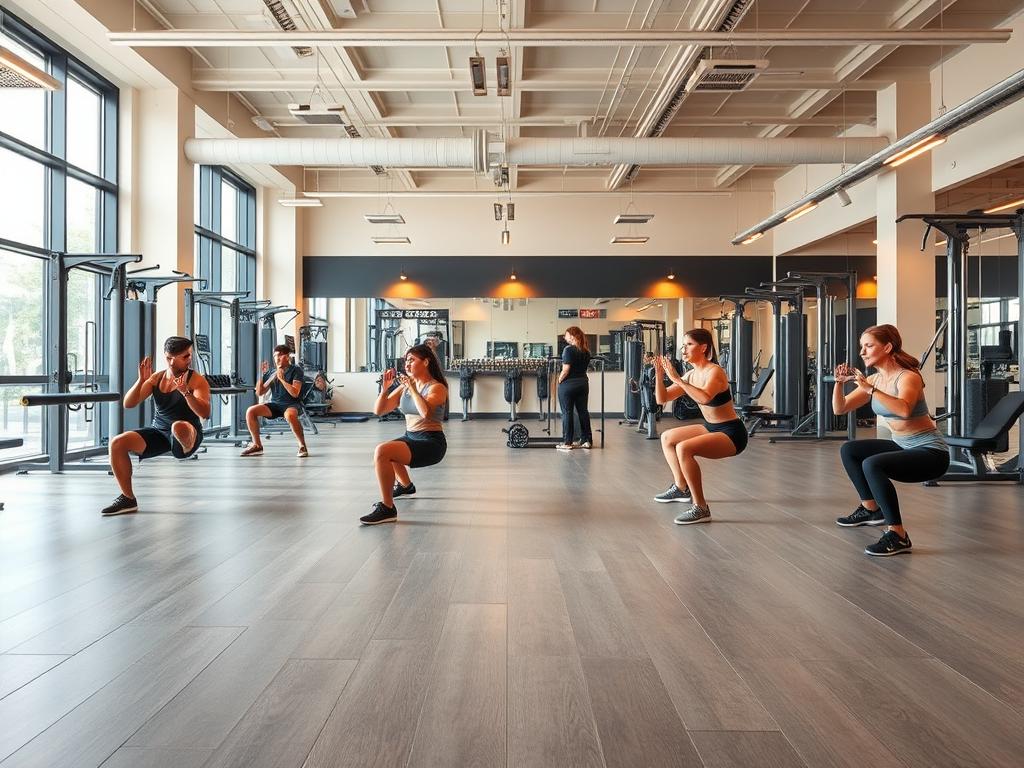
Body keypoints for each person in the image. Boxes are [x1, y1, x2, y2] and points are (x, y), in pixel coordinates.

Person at [832, 324, 949, 556]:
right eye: (862, 347)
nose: (862, 352)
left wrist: (870, 390)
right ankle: (871, 509)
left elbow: (904, 410)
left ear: (887, 347)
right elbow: (840, 408)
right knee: (850, 450)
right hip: (902, 445)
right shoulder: (874, 380)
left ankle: (898, 535)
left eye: (868, 346)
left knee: (872, 464)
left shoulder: (908, 377)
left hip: (931, 452)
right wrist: (839, 383)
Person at [101, 336, 211, 516]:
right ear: (170, 359)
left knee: (178, 426)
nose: (190, 359)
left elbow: (205, 413)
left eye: (190, 355)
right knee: (117, 443)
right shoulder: (156, 378)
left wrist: (186, 392)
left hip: (188, 432)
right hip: (159, 433)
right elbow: (128, 403)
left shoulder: (197, 380)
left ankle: (183, 446)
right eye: (185, 356)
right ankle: (128, 499)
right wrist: (141, 380)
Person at [652, 329, 748, 524]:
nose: (683, 349)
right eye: (683, 345)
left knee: (684, 448)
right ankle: (681, 488)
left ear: (704, 347)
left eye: (689, 344)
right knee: (667, 438)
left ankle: (701, 508)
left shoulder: (715, 372)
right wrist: (659, 375)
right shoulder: (691, 375)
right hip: (711, 427)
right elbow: (662, 399)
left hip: (732, 433)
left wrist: (678, 379)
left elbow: (704, 397)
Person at [361, 344, 449, 525]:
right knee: (388, 451)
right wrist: (385, 389)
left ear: (426, 362)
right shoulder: (405, 386)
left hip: (431, 443)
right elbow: (379, 410)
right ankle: (406, 486)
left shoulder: (437, 388)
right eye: (405, 361)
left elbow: (426, 413)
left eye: (411, 360)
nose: (406, 365)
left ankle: (388, 508)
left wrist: (413, 388)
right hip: (411, 436)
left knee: (383, 451)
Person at [240, 345, 308, 457]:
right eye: (275, 356)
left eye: (280, 355)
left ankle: (302, 446)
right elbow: (259, 392)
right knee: (251, 411)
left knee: (290, 415)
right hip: (275, 405)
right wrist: (261, 374)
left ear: (287, 357)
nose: (277, 358)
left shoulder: (296, 370)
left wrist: (282, 379)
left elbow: (295, 393)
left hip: (292, 404)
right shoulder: (271, 372)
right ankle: (257, 445)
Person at [555, 326, 593, 451]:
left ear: (572, 336)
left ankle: (567, 442)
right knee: (583, 412)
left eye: (566, 335)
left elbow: (566, 370)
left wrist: (559, 380)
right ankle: (587, 440)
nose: (564, 337)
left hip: (568, 385)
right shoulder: (586, 351)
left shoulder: (568, 350)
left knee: (567, 412)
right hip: (583, 384)